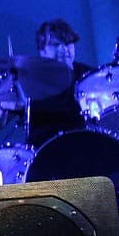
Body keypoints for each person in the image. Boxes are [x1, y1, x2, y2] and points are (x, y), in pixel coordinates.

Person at [24, 18, 90, 149]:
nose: (63, 49)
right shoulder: (30, 81)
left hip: (87, 148)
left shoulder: (89, 76)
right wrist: (3, 106)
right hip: (44, 154)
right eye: (55, 44)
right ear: (42, 51)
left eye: (68, 43)